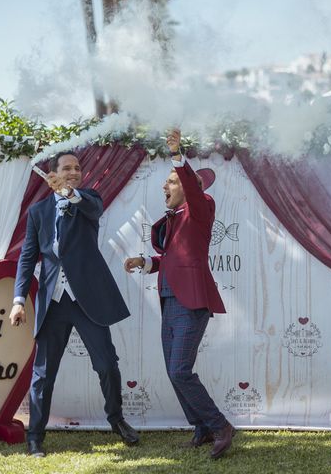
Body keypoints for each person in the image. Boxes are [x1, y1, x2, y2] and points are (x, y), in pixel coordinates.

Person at [9, 151, 139, 457]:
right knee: (43, 373)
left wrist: (69, 193)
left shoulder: (88, 200)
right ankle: (35, 436)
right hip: (54, 302)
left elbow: (93, 207)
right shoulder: (39, 212)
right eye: (67, 168)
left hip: (87, 300)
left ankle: (117, 419)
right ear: (53, 172)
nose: (74, 172)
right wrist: (17, 300)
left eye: (77, 168)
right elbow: (28, 258)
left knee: (107, 364)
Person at [124, 128, 234, 459]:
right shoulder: (175, 219)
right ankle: (200, 427)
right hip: (170, 302)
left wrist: (177, 156)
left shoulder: (202, 208)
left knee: (179, 371)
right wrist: (145, 262)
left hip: (192, 303)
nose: (164, 186)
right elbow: (171, 260)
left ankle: (220, 426)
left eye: (171, 181)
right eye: (167, 182)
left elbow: (192, 190)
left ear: (189, 188)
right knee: (174, 371)